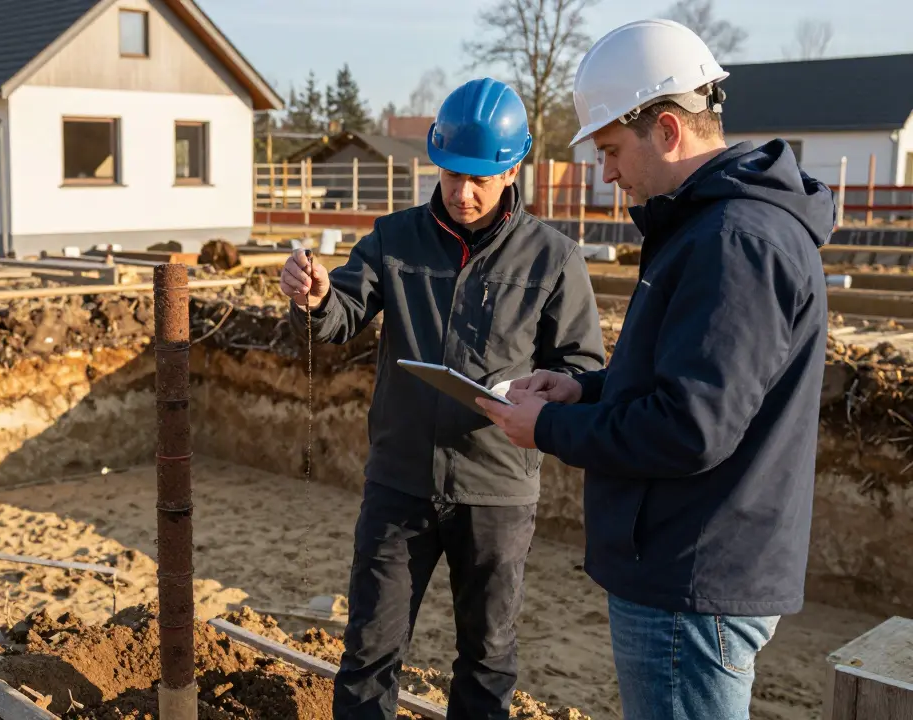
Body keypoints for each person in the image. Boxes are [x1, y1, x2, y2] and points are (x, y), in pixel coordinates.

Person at [478, 19, 834, 720]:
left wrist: (550, 427)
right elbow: (690, 381)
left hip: (691, 578)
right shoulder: (711, 230)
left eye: (611, 149)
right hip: (689, 568)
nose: (607, 171)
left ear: (668, 131)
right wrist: (583, 388)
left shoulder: (733, 242)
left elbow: (689, 428)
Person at [279, 77, 605, 719]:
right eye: (452, 173)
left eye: (480, 177)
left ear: (514, 167)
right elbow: (341, 315)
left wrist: (549, 393)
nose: (463, 191)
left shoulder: (554, 259)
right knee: (369, 650)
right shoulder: (392, 239)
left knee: (486, 659)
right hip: (400, 483)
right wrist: (314, 300)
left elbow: (581, 366)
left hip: (498, 491)